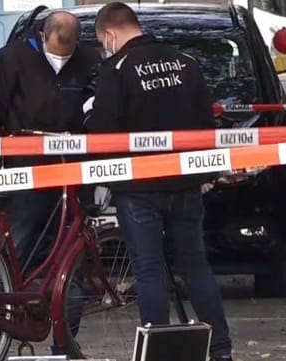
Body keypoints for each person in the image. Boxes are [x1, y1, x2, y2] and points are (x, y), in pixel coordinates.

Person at [84, 3, 233, 361]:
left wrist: (88, 114)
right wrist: (205, 174)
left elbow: (102, 130)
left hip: (139, 187)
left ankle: (161, 353)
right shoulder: (186, 63)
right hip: (185, 183)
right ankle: (222, 349)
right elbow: (205, 125)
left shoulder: (116, 69)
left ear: (109, 35)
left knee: (148, 270)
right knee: (196, 266)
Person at [0, 10, 101, 361]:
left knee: (69, 269)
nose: (61, 59)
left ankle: (65, 347)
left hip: (72, 181)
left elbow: (98, 116)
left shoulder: (89, 59)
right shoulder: (14, 58)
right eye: (56, 51)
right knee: (11, 264)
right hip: (23, 178)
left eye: (68, 53)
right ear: (42, 36)